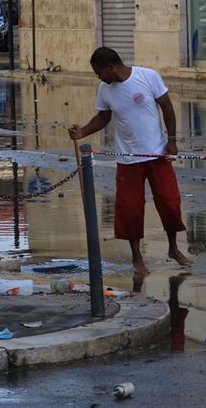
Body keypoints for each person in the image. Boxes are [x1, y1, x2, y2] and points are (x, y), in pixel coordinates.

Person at [69, 47, 192, 275]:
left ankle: (173, 249)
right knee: (130, 209)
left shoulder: (148, 76)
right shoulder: (104, 89)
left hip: (157, 154)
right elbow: (103, 116)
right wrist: (83, 132)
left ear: (111, 67)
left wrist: (172, 140)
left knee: (169, 202)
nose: (98, 77)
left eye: (99, 72)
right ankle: (137, 257)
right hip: (127, 159)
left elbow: (166, 106)